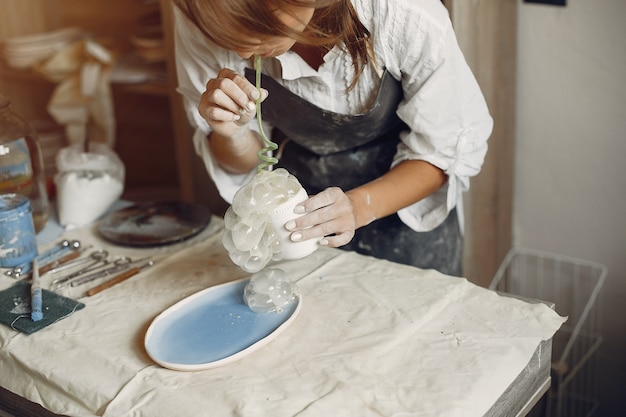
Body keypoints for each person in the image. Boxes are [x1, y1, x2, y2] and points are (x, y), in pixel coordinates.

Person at [172, 0, 493, 276]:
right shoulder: (199, 14)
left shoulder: (400, 11)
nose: (241, 49)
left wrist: (358, 207)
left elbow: (443, 151)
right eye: (224, 34)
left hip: (407, 215)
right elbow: (246, 164)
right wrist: (233, 134)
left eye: (255, 23)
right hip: (302, 225)